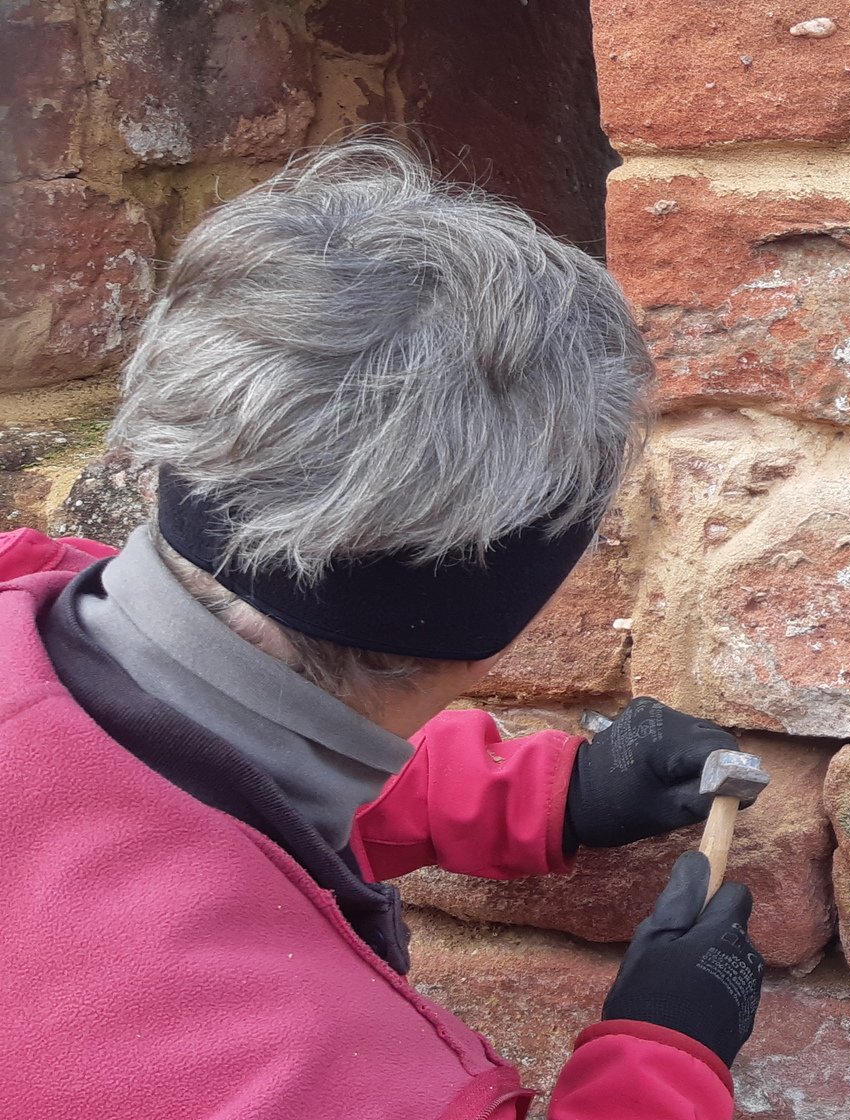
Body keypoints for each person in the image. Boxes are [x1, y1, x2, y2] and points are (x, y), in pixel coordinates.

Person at [0, 139, 765, 1118]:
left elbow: (155, 782)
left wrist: (537, 794)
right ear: (501, 611)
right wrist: (662, 1053)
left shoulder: (27, 594)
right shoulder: (311, 1073)